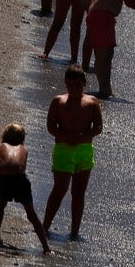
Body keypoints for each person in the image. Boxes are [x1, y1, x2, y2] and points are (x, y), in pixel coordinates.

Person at [42, 65, 102, 241]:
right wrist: (66, 137)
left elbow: (98, 127)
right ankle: (44, 226)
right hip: (63, 150)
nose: (74, 89)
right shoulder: (58, 101)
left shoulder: (92, 102)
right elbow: (51, 127)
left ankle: (74, 231)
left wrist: (83, 136)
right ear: (65, 84)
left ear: (84, 83)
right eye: (70, 85)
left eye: (78, 85)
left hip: (84, 150)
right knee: (60, 189)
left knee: (79, 192)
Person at [0, 123, 50, 254]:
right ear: (22, 138)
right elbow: (21, 167)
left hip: (5, 180)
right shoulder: (24, 149)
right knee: (31, 213)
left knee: (1, 205)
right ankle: (46, 247)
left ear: (4, 135)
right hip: (20, 180)